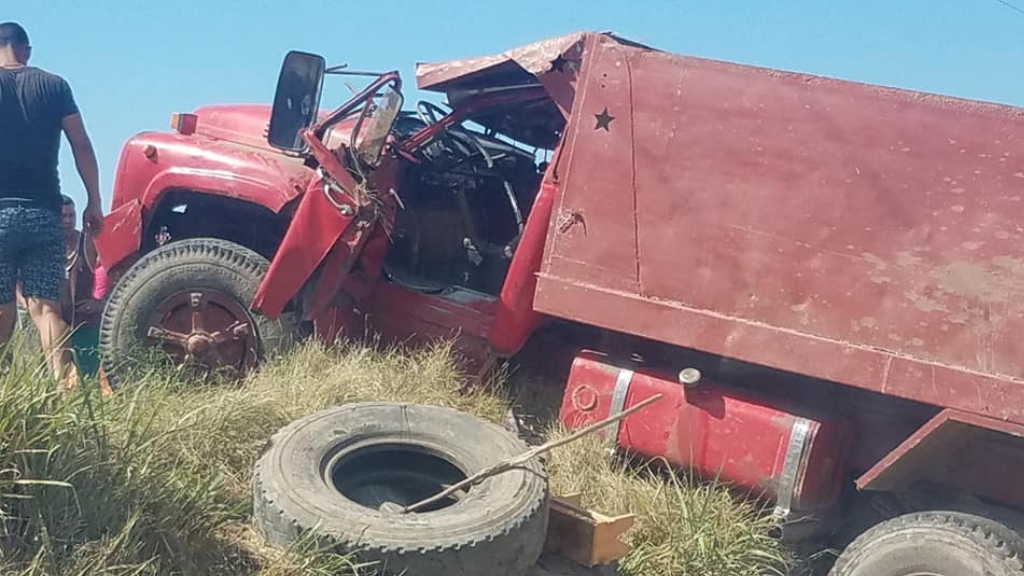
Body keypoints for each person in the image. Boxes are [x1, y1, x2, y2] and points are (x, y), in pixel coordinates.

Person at [0, 22, 104, 388]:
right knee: (47, 308)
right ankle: (64, 390)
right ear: (26, 50)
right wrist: (94, 200)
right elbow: (82, 145)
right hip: (44, 212)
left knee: (2, 307)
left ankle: (4, 394)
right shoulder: (54, 85)